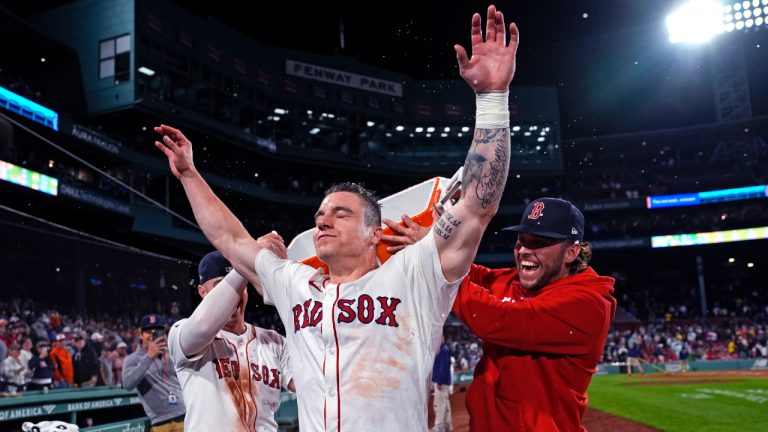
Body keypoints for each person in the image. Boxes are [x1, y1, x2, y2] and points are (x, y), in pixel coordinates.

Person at [154, 5, 517, 430]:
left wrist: (492, 98)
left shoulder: (414, 274)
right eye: (320, 214)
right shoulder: (295, 285)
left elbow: (477, 204)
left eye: (340, 214)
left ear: (372, 232)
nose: (322, 221)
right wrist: (190, 175)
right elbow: (230, 239)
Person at [384, 197, 617, 431]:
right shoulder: (516, 281)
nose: (524, 250)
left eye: (538, 243)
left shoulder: (587, 304)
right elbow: (471, 274)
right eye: (521, 241)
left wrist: (430, 256)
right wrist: (437, 242)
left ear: (571, 253)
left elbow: (494, 319)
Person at [167, 251, 294, 432]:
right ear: (202, 292)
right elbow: (203, 327)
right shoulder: (182, 332)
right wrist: (246, 263)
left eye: (240, 285)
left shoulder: (274, 341)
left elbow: (307, 382)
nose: (234, 295)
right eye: (221, 286)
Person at [123, 314, 186, 432]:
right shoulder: (132, 359)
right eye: (148, 331)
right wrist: (149, 357)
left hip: (185, 416)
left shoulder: (171, 352)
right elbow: (127, 384)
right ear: (141, 335)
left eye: (157, 331)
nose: (152, 335)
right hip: (160, 422)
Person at [431, 337, 453, 432]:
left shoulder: (442, 350)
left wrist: (439, 381)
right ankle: (447, 425)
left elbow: (442, 367)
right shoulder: (445, 349)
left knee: (439, 404)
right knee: (445, 403)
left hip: (441, 382)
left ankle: (439, 426)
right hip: (445, 382)